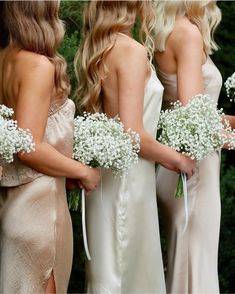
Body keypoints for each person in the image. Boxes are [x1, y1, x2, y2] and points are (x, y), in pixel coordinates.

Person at [75, 1, 195, 293]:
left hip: (108, 180)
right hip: (128, 182)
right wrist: (177, 160)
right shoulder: (131, 50)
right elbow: (132, 134)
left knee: (112, 271)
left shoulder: (100, 47)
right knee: (127, 273)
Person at [0, 1, 100, 293]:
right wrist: (83, 171)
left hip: (12, 202)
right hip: (39, 208)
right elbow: (29, 147)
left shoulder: (5, 58)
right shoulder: (38, 66)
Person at [154, 1, 223, 293]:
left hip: (177, 168)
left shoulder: (168, 32)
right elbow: (193, 117)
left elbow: (195, 112)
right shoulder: (189, 34)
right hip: (192, 174)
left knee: (188, 267)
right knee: (195, 270)